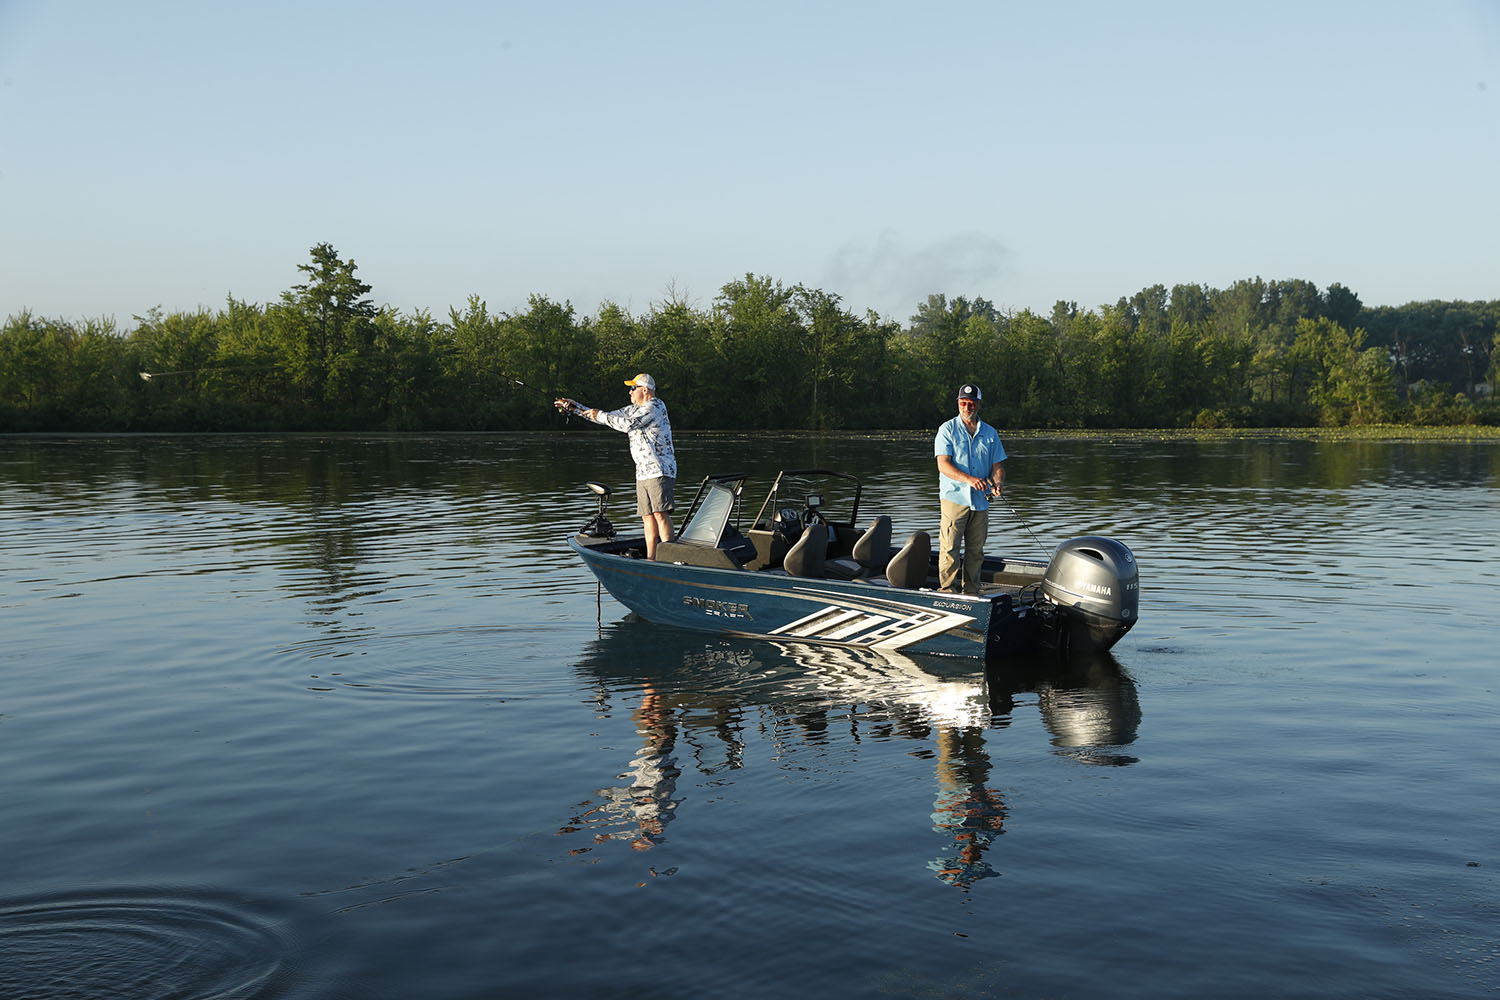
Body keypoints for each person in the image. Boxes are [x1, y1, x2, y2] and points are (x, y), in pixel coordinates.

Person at [556, 373, 677, 560]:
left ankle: (670, 558)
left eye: (632, 388)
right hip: (643, 472)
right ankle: (652, 559)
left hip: (659, 469)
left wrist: (601, 415)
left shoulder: (655, 406)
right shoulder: (634, 409)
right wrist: (575, 408)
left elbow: (628, 424)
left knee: (660, 514)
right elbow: (606, 417)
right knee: (647, 516)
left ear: (644, 390)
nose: (630, 393)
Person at [934, 383, 1007, 595]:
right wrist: (970, 479)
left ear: (978, 405)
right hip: (953, 499)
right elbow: (943, 464)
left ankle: (973, 591)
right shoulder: (947, 429)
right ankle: (948, 591)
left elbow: (998, 466)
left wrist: (998, 482)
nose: (967, 407)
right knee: (949, 549)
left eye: (971, 403)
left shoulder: (990, 433)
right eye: (963, 403)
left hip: (981, 501)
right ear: (958, 403)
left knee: (976, 551)